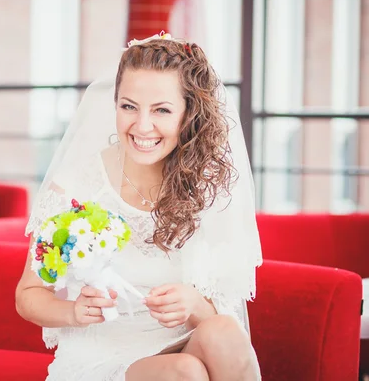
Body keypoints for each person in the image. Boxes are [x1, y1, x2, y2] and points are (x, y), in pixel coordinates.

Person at [15, 32, 263, 381]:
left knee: (224, 331)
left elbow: (225, 315)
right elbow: (28, 295)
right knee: (185, 372)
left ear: (188, 114)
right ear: (114, 103)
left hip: (181, 340)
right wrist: (74, 311)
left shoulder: (207, 187)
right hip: (102, 356)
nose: (142, 126)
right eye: (128, 106)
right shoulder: (78, 183)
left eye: (161, 110)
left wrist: (192, 303)